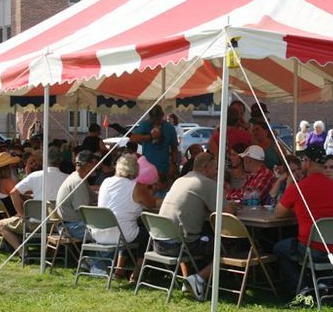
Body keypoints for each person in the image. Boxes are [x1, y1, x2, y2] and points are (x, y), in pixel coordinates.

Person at [158, 152, 236, 300]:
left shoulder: (180, 180)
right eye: (215, 168)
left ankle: (189, 280)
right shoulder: (206, 183)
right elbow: (228, 212)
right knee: (227, 244)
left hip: (159, 241)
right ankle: (198, 279)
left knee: (206, 234)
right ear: (206, 167)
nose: (217, 172)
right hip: (179, 245)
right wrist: (233, 205)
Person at [273, 144, 333, 293]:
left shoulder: (298, 187)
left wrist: (296, 208)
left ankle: (301, 287)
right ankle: (323, 284)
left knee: (280, 248)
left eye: (303, 160)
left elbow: (278, 213)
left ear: (308, 161)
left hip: (312, 248)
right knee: (311, 247)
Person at [91, 154, 158, 282]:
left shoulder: (106, 182)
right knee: (146, 235)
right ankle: (136, 274)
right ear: (136, 170)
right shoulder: (136, 186)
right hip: (121, 234)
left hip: (99, 232)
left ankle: (119, 270)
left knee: (129, 229)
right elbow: (151, 204)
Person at [0, 147, 69, 252]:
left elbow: (13, 192)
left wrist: (21, 213)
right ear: (61, 161)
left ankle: (23, 252)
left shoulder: (35, 176)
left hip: (35, 223)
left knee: (1, 225)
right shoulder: (67, 178)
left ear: (44, 160)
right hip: (58, 225)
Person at [56, 150, 98, 239]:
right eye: (95, 165)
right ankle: (96, 253)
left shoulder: (80, 178)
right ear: (89, 165)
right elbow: (83, 210)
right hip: (71, 226)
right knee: (108, 230)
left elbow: (94, 198)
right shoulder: (78, 182)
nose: (96, 167)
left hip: (71, 224)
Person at [129, 105, 178, 177]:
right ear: (150, 116)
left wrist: (173, 164)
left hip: (163, 169)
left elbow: (174, 148)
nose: (156, 122)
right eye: (153, 119)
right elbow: (133, 138)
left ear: (162, 115)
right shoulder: (145, 125)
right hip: (147, 168)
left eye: (158, 119)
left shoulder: (169, 128)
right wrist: (151, 137)